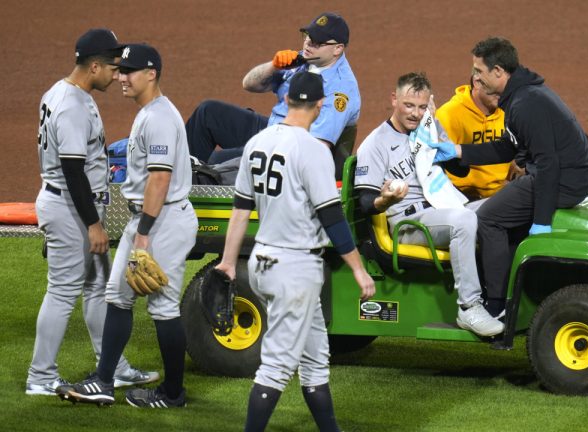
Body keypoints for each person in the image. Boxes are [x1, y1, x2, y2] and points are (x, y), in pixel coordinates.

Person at [214, 71, 375, 432]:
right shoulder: (312, 149)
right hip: (295, 269)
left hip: (262, 263)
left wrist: (227, 261)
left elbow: (240, 209)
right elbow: (331, 216)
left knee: (316, 359)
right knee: (276, 366)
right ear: (320, 106)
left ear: (286, 100)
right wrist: (359, 270)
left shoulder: (257, 142)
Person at [58, 43, 198, 408]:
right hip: (152, 218)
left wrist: (144, 236)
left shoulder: (160, 118)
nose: (121, 77)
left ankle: (173, 393)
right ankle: (104, 380)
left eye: (129, 71)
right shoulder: (149, 112)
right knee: (117, 297)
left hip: (162, 220)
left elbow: (160, 180)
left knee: (163, 307)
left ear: (151, 74)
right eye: (120, 70)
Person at [429, 37, 588, 318]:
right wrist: (458, 150)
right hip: (569, 176)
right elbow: (506, 148)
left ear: (498, 72)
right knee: (506, 219)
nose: (475, 77)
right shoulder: (523, 94)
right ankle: (512, 294)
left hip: (563, 181)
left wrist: (541, 221)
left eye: (479, 71)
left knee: (488, 218)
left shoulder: (525, 104)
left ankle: (496, 305)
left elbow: (548, 164)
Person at [27, 28, 158, 397]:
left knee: (98, 289)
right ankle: (40, 377)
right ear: (94, 65)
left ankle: (112, 368)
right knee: (63, 292)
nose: (118, 74)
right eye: (113, 66)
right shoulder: (71, 105)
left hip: (69, 205)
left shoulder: (64, 92)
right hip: (70, 206)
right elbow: (72, 171)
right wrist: (92, 225)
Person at [354, 72, 504, 337]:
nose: (415, 113)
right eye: (409, 105)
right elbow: (364, 203)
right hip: (408, 224)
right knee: (465, 221)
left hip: (442, 209)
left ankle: (502, 296)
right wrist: (385, 200)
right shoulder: (375, 144)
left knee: (502, 206)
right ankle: (469, 307)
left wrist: (438, 135)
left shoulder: (428, 128)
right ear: (394, 100)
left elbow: (459, 169)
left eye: (422, 107)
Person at [185, 12, 360, 179]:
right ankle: (181, 177)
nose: (308, 43)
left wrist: (264, 148)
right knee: (208, 113)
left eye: (317, 42)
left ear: (337, 49)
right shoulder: (302, 59)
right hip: (273, 129)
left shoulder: (340, 90)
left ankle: (192, 188)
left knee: (218, 161)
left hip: (290, 152)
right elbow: (249, 84)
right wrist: (274, 66)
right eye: (308, 36)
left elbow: (313, 148)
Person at [435, 75, 523, 200]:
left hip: (499, 194)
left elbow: (512, 160)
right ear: (477, 82)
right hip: (460, 196)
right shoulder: (449, 114)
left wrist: (517, 173)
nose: (502, 92)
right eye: (496, 87)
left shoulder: (509, 112)